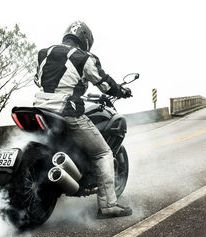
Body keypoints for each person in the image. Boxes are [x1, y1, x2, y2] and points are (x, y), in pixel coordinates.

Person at [33, 21, 132, 219]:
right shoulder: (84, 57)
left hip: (40, 110)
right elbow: (104, 83)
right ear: (86, 40)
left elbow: (38, 79)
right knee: (103, 153)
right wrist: (121, 91)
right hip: (67, 113)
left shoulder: (43, 53)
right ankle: (108, 205)